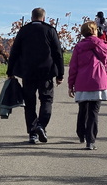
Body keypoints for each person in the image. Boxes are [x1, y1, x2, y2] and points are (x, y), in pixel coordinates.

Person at [6, 7, 64, 144]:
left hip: (28, 73)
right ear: (44, 18)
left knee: (29, 103)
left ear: (31, 17)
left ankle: (32, 134)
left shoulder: (24, 30)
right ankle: (41, 125)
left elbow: (14, 51)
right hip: (46, 73)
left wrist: (10, 71)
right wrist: (60, 74)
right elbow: (58, 53)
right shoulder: (50, 30)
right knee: (46, 100)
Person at [68, 20, 107, 150]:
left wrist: (71, 84)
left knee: (82, 109)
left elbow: (73, 67)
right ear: (95, 31)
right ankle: (91, 141)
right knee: (94, 112)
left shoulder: (79, 47)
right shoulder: (104, 45)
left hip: (82, 82)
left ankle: (81, 134)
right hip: (99, 82)